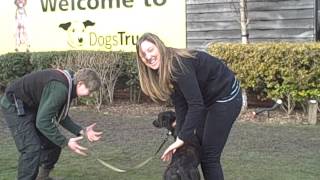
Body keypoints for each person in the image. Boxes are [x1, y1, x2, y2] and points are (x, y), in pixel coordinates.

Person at [135, 33, 242, 180]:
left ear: (159, 47)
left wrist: (181, 138)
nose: (148, 56)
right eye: (143, 54)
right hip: (207, 99)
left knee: (209, 156)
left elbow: (195, 105)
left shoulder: (178, 65)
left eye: (150, 50)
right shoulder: (165, 69)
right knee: (201, 148)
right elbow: (181, 104)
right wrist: (180, 136)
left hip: (226, 97)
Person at [0, 68, 103, 180]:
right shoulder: (60, 89)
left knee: (53, 144)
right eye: (90, 90)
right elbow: (43, 122)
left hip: (30, 107)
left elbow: (61, 116)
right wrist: (65, 142)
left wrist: (82, 131)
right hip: (14, 105)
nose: (91, 95)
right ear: (80, 83)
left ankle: (42, 177)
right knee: (31, 149)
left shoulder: (69, 85)